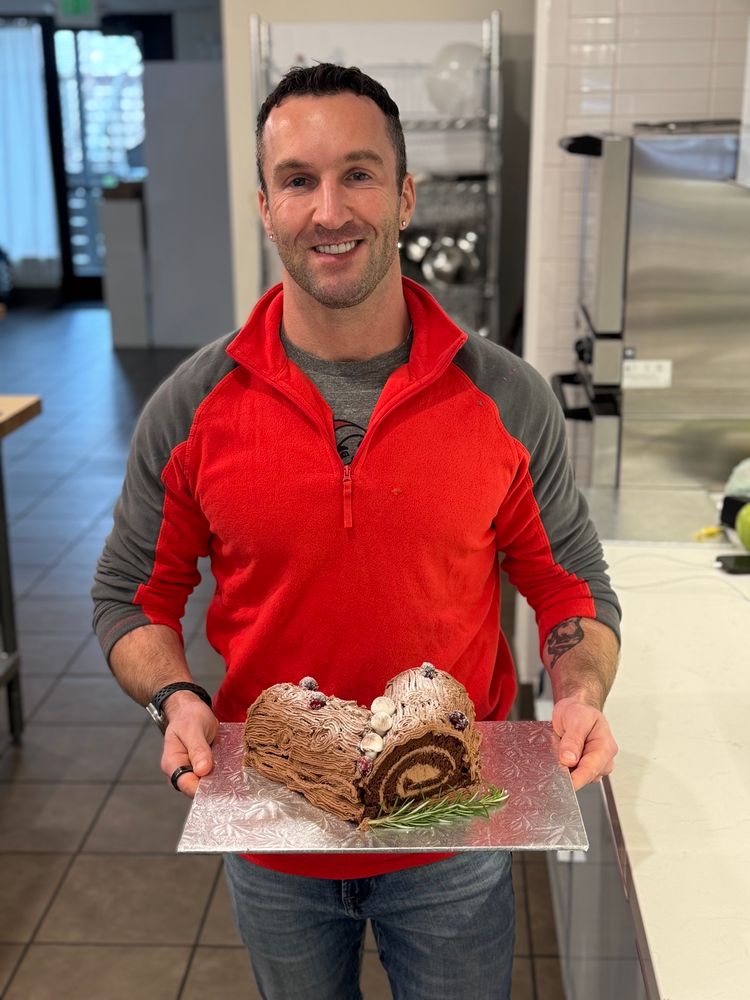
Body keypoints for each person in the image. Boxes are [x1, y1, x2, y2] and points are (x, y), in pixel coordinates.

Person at [92, 63, 621, 1000]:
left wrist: (578, 691)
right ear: (266, 205)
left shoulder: (504, 396)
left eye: (360, 173)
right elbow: (132, 594)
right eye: (299, 179)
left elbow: (568, 578)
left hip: (449, 826)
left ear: (407, 193)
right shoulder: (192, 408)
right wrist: (175, 699)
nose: (329, 209)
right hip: (275, 833)